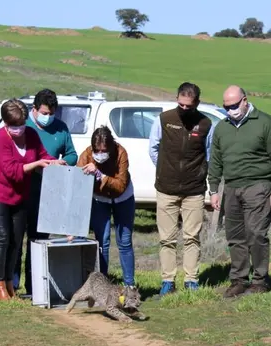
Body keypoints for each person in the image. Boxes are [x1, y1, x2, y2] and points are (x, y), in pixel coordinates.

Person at [207, 86, 271, 298]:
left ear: (244, 100)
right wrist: (214, 189)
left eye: (234, 105)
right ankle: (239, 280)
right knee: (235, 235)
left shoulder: (266, 123)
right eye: (226, 107)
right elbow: (215, 160)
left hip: (258, 185)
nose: (230, 110)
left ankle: (260, 280)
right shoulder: (222, 128)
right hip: (231, 187)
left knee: (256, 233)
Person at [0, 99, 64, 301]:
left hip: (20, 195)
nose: (19, 129)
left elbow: (42, 154)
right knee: (3, 237)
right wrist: (37, 163)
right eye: (14, 125)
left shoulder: (32, 135)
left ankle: (10, 282)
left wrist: (55, 162)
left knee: (17, 240)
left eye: (21, 124)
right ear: (5, 122)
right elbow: (12, 171)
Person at [149, 82, 214, 296]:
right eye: (181, 104)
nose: (184, 109)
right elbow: (153, 149)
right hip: (166, 188)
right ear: (177, 99)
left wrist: (198, 175)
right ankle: (168, 280)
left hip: (194, 190)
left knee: (191, 237)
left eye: (189, 106)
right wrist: (165, 170)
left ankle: (191, 280)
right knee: (166, 238)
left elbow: (209, 155)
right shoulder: (164, 120)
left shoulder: (206, 124)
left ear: (197, 102)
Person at [13, 88, 78, 296]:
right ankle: (11, 284)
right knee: (16, 237)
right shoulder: (23, 126)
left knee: (38, 239)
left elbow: (72, 154)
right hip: (22, 188)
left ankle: (34, 286)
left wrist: (62, 163)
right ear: (34, 109)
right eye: (44, 112)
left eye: (51, 113)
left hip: (48, 190)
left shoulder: (61, 128)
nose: (48, 117)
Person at [79, 126, 136, 289]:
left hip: (123, 198)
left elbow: (120, 185)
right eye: (97, 150)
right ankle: (102, 285)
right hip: (100, 199)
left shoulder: (121, 153)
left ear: (111, 147)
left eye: (104, 150)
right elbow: (77, 179)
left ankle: (129, 285)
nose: (100, 154)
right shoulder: (87, 154)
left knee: (124, 241)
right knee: (102, 242)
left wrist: (99, 174)